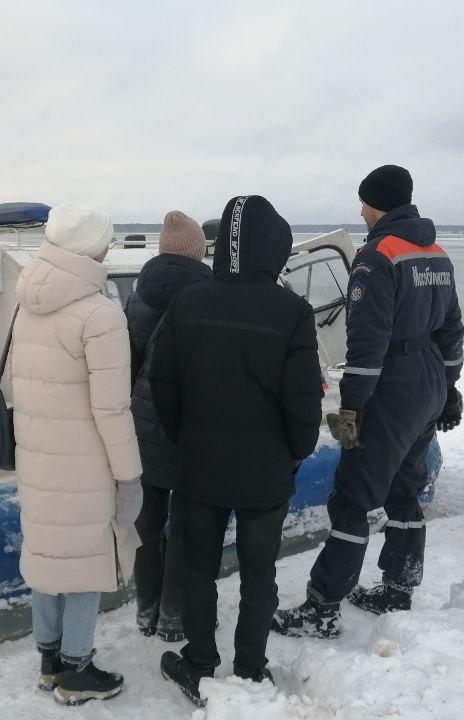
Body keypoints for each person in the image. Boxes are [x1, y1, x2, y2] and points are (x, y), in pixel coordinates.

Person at [273, 166, 464, 638]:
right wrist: (450, 385)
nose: (361, 212)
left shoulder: (377, 256)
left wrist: (352, 405)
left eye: (364, 203)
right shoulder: (436, 254)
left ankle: (323, 606)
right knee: (404, 487)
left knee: (353, 498)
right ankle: (399, 585)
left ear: (378, 203)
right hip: (427, 386)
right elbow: (453, 331)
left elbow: (367, 344)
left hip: (392, 390)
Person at [149, 195, 324, 706]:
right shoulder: (292, 311)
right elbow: (302, 397)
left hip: (200, 466)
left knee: (198, 568)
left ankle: (200, 660)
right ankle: (250, 667)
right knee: (259, 571)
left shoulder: (189, 302)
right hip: (265, 473)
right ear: (274, 248)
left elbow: (164, 382)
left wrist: (185, 436)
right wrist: (298, 449)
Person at [11, 201, 144, 705]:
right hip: (84, 466)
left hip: (39, 458)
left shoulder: (27, 301)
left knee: (47, 555)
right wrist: (129, 476)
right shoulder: (100, 314)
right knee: (87, 559)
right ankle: (76, 671)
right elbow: (112, 410)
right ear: (91, 246)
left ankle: (48, 661)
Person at [126, 211, 212, 641]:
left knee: (148, 523)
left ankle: (147, 609)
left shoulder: (137, 294)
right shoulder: (209, 295)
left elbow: (130, 363)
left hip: (144, 423)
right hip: (190, 424)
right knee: (185, 526)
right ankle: (175, 616)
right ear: (198, 251)